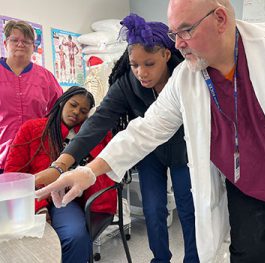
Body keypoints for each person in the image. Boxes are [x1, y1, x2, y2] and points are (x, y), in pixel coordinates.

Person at [36, 14, 199, 263]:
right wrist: (60, 165)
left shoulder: (187, 76)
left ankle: (193, 259)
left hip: (183, 150)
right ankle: (160, 259)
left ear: (166, 55)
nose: (141, 73)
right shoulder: (126, 85)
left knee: (189, 209)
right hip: (148, 152)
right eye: (134, 64)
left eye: (149, 64)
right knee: (153, 209)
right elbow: (96, 123)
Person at [5, 86, 116, 263]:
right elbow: (12, 175)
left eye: (83, 111)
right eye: (73, 105)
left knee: (75, 237)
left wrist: (93, 130)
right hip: (28, 198)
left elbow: (106, 166)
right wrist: (38, 206)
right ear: (62, 101)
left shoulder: (86, 136)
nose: (76, 112)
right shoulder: (32, 129)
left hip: (64, 201)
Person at [0, 20, 63, 174]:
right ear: (5, 43)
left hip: (36, 154)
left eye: (26, 41)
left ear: (33, 47)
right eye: (14, 40)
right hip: (2, 156)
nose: (20, 44)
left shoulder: (45, 77)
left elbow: (60, 110)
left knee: (35, 197)